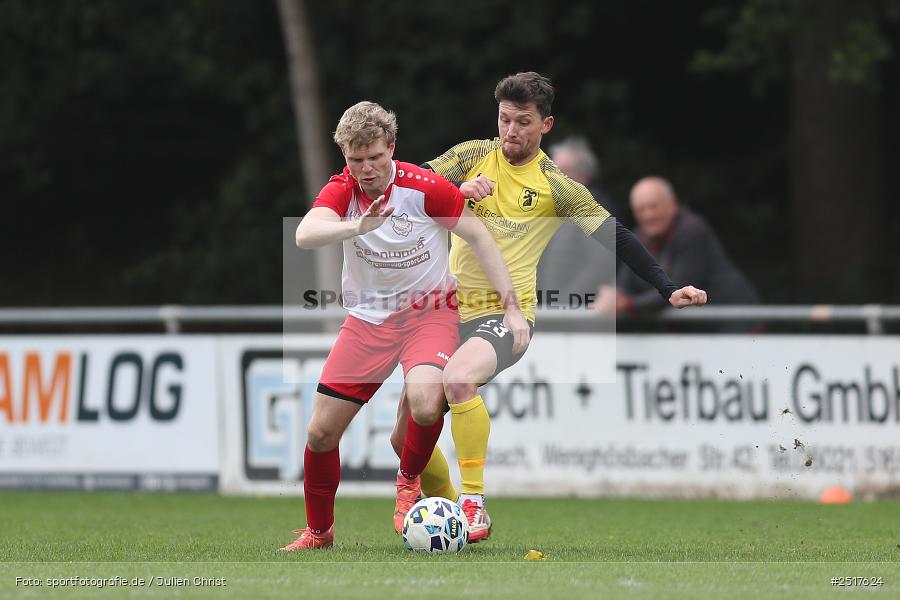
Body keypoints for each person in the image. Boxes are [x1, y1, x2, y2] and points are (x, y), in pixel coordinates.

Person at [391, 72, 707, 543]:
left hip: (504, 317)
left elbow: (618, 236)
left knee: (458, 381)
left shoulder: (557, 187)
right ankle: (451, 511)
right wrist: (457, 191)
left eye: (522, 122)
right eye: (504, 119)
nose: (510, 131)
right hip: (443, 313)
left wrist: (666, 287)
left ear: (546, 125)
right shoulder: (470, 156)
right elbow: (412, 185)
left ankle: (473, 504)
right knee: (405, 438)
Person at [280, 101, 524, 551]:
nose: (367, 169)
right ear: (345, 158)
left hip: (429, 315)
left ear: (391, 146)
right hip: (368, 321)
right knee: (319, 432)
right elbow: (304, 234)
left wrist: (511, 308)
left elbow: (479, 237)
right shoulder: (343, 190)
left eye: (375, 157)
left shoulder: (426, 187)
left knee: (427, 403)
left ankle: (408, 481)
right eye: (356, 161)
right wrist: (357, 225)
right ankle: (319, 533)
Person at [597, 176, 760, 332]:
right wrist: (614, 296)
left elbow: (678, 291)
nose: (648, 215)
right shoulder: (637, 237)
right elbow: (626, 284)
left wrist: (627, 305)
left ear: (672, 204)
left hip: (733, 322)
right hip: (693, 330)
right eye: (641, 209)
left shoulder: (692, 231)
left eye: (654, 206)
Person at [537, 136, 621, 308]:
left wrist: (561, 306)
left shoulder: (595, 210)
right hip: (551, 312)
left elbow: (600, 266)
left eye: (562, 171)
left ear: (583, 175)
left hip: (579, 316)